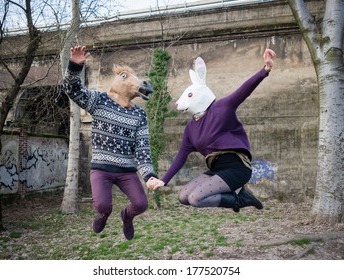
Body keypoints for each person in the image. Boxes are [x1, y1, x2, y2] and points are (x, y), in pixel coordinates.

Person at [147, 49, 276, 213]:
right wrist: (163, 180)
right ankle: (238, 197)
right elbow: (181, 156)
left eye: (190, 95)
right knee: (184, 197)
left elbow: (243, 90)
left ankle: (241, 199)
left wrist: (264, 70)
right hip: (217, 170)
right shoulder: (190, 128)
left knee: (195, 198)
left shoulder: (221, 108)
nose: (179, 102)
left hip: (237, 168)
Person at [63, 45, 156, 240]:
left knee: (141, 204)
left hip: (126, 171)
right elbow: (72, 90)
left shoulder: (140, 114)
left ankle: (126, 216)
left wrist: (149, 176)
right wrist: (74, 66)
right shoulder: (100, 100)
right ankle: (103, 215)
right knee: (103, 205)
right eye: (125, 76)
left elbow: (142, 148)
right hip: (102, 169)